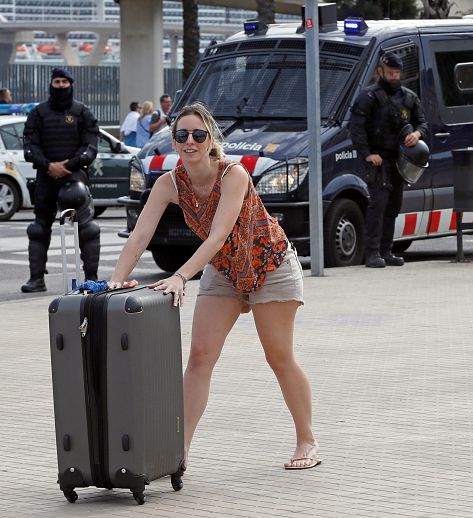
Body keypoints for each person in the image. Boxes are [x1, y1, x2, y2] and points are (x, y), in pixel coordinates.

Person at [108, 102, 320, 470]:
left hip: (269, 265)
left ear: (210, 140)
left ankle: (307, 440)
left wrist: (179, 276)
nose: (189, 141)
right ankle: (180, 451)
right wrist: (114, 280)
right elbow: (140, 236)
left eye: (198, 135)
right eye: (181, 135)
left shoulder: (232, 175)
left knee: (278, 357)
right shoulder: (169, 183)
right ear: (173, 141)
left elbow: (218, 236)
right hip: (224, 271)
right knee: (200, 357)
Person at [21, 67, 100, 293]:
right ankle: (36, 278)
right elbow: (30, 146)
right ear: (51, 84)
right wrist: (49, 165)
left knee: (87, 227)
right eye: (57, 82)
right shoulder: (38, 113)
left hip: (73, 174)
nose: (61, 86)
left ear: (71, 84)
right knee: (38, 228)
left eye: (65, 82)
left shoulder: (82, 112)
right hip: (46, 175)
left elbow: (90, 146)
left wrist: (69, 165)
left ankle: (91, 277)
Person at [350, 52, 428, 268]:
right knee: (378, 205)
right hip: (378, 159)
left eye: (397, 73)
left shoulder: (408, 97)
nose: (394, 76)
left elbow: (423, 123)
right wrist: (367, 154)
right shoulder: (368, 97)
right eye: (390, 73)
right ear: (380, 72)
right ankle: (372, 253)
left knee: (394, 205)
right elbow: (357, 129)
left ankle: (387, 250)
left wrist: (417, 134)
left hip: (400, 160)